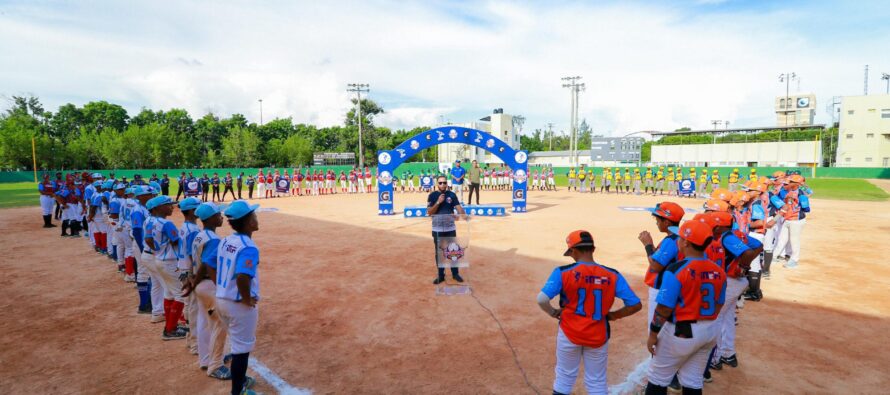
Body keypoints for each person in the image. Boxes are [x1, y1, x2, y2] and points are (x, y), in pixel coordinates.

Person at [538, 230, 642, 395]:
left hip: (569, 332)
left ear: (574, 250)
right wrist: (614, 315)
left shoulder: (563, 272)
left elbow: (542, 299)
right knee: (596, 381)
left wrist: (553, 313)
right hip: (598, 334)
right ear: (593, 249)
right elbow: (635, 304)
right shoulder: (612, 275)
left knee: (564, 377)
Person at [645, 220, 726, 395]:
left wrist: (652, 335)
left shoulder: (676, 269)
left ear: (686, 242)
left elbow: (664, 309)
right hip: (710, 330)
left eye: (680, 237)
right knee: (693, 380)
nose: (678, 240)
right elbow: (719, 304)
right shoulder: (718, 270)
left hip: (682, 332)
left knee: (658, 378)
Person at [216, 200, 261, 395]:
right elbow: (243, 275)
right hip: (237, 304)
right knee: (242, 350)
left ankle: (240, 384)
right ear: (248, 222)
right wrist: (246, 299)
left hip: (221, 298)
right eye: (254, 216)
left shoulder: (226, 240)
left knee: (237, 344)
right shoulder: (248, 247)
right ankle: (238, 391)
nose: (256, 218)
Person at [186, 202, 230, 379]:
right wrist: (220, 287)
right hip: (209, 286)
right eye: (218, 214)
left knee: (205, 323)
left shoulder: (200, 235)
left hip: (200, 285)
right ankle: (215, 365)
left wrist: (193, 281)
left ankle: (205, 359)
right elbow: (207, 264)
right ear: (210, 218)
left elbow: (194, 259)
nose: (221, 217)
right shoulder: (213, 239)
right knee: (220, 324)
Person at [144, 195, 188, 340]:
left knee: (169, 293)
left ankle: (170, 326)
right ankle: (170, 330)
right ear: (157, 208)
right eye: (167, 205)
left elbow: (148, 239)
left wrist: (157, 250)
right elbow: (177, 242)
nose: (171, 207)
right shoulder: (166, 223)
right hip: (170, 261)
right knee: (180, 295)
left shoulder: (149, 220)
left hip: (159, 259)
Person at [427, 175, 467, 284]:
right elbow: (429, 212)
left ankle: (455, 273)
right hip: (437, 229)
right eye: (440, 183)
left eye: (444, 183)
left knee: (453, 251)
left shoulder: (452, 195)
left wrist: (462, 215)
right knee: (439, 252)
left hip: (450, 228)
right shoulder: (432, 195)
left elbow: (459, 209)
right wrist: (438, 202)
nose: (443, 185)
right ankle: (441, 275)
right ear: (437, 184)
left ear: (447, 183)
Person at [177, 197, 203, 353]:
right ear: (192, 211)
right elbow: (192, 254)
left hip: (183, 268)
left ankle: (190, 339)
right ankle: (195, 344)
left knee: (189, 305)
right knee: (194, 307)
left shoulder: (186, 226)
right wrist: (193, 276)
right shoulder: (193, 230)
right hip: (189, 271)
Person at [772, 174, 810, 269]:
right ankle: (774, 256)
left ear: (797, 184)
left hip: (796, 220)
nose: (789, 183)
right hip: (787, 219)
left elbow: (806, 209)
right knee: (782, 238)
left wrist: (796, 207)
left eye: (791, 181)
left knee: (794, 240)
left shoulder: (801, 194)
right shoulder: (790, 192)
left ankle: (794, 260)